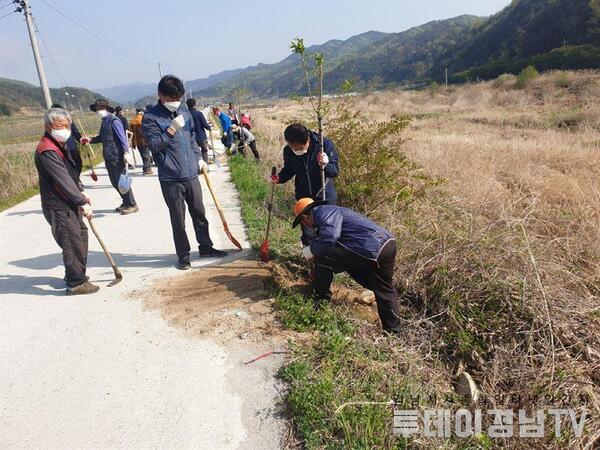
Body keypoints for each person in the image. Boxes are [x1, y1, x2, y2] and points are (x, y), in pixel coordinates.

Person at [143, 75, 227, 270]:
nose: (175, 102)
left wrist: (199, 158)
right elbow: (154, 146)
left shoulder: (185, 113)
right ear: (160, 95)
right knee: (178, 218)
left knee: (199, 212)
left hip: (191, 174)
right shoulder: (151, 117)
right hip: (171, 178)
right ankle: (183, 255)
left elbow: (190, 140)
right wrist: (170, 130)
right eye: (171, 98)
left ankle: (206, 246)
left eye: (178, 98)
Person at [292, 198, 401, 334]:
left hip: (368, 246)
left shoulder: (322, 212)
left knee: (323, 258)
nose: (305, 227)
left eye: (302, 223)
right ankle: (393, 332)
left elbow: (329, 238)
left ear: (304, 217)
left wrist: (310, 251)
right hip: (387, 244)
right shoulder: (331, 212)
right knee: (384, 289)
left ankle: (320, 300)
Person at [35, 107, 98, 295]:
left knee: (80, 235)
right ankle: (75, 282)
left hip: (68, 201)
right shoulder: (47, 150)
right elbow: (61, 178)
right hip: (59, 205)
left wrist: (80, 190)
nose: (64, 130)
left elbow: (69, 174)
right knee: (71, 241)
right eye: (59, 126)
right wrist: (81, 201)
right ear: (48, 126)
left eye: (67, 126)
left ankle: (75, 272)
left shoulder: (58, 145)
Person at [84, 99, 138, 214]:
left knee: (121, 181)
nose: (99, 111)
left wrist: (126, 152)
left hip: (117, 155)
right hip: (108, 156)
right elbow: (102, 137)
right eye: (97, 109)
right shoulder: (104, 121)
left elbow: (122, 137)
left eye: (101, 108)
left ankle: (132, 204)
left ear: (107, 109)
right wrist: (90, 140)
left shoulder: (114, 120)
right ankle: (125, 202)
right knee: (114, 181)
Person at [269, 123, 339, 204]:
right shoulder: (288, 151)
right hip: (304, 199)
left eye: (300, 148)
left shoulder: (324, 145)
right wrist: (280, 178)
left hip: (325, 197)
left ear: (308, 140)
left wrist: (326, 165)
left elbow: (334, 171)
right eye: (294, 149)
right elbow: (289, 169)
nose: (297, 151)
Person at [51, 103, 85, 178]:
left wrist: (80, 140)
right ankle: (73, 181)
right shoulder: (51, 123)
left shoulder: (69, 120)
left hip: (72, 146)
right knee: (67, 166)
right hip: (61, 148)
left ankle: (76, 179)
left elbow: (75, 131)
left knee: (78, 163)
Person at [186, 98, 211, 165]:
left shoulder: (185, 115)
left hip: (190, 138)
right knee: (204, 151)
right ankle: (206, 166)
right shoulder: (199, 114)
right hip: (201, 136)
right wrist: (209, 128)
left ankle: (197, 167)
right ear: (195, 104)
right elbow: (204, 124)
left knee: (194, 153)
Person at [129, 108, 153, 175]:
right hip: (145, 140)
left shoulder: (132, 121)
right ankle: (147, 169)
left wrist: (132, 142)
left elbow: (131, 133)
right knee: (146, 155)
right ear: (142, 113)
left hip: (138, 141)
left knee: (143, 155)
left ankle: (147, 166)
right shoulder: (144, 120)